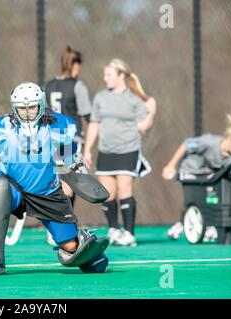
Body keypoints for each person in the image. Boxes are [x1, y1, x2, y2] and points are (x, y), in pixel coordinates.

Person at [0, 82, 110, 276]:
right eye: (22, 109)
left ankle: (84, 245)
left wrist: (79, 173)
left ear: (41, 105)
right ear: (14, 108)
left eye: (32, 107)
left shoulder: (58, 125)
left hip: (47, 193)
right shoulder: (3, 127)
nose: (27, 113)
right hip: (12, 190)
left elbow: (69, 157)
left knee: (71, 247)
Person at [84, 58, 157, 247]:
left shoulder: (134, 99)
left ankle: (130, 233)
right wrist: (87, 150)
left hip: (128, 149)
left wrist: (151, 113)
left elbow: (144, 126)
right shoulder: (100, 97)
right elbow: (94, 123)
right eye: (105, 74)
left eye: (109, 74)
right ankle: (114, 229)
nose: (105, 78)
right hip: (106, 151)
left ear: (121, 76)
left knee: (125, 188)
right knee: (107, 193)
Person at [162, 114, 231, 241]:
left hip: (207, 174)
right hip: (190, 170)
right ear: (229, 139)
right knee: (193, 199)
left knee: (212, 196)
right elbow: (186, 144)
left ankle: (210, 224)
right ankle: (181, 224)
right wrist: (170, 165)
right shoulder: (209, 142)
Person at [45, 46, 91, 207]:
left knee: (56, 181)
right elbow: (89, 115)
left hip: (51, 140)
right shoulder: (77, 86)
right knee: (70, 183)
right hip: (72, 141)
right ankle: (64, 223)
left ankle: (56, 224)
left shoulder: (48, 86)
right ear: (74, 65)